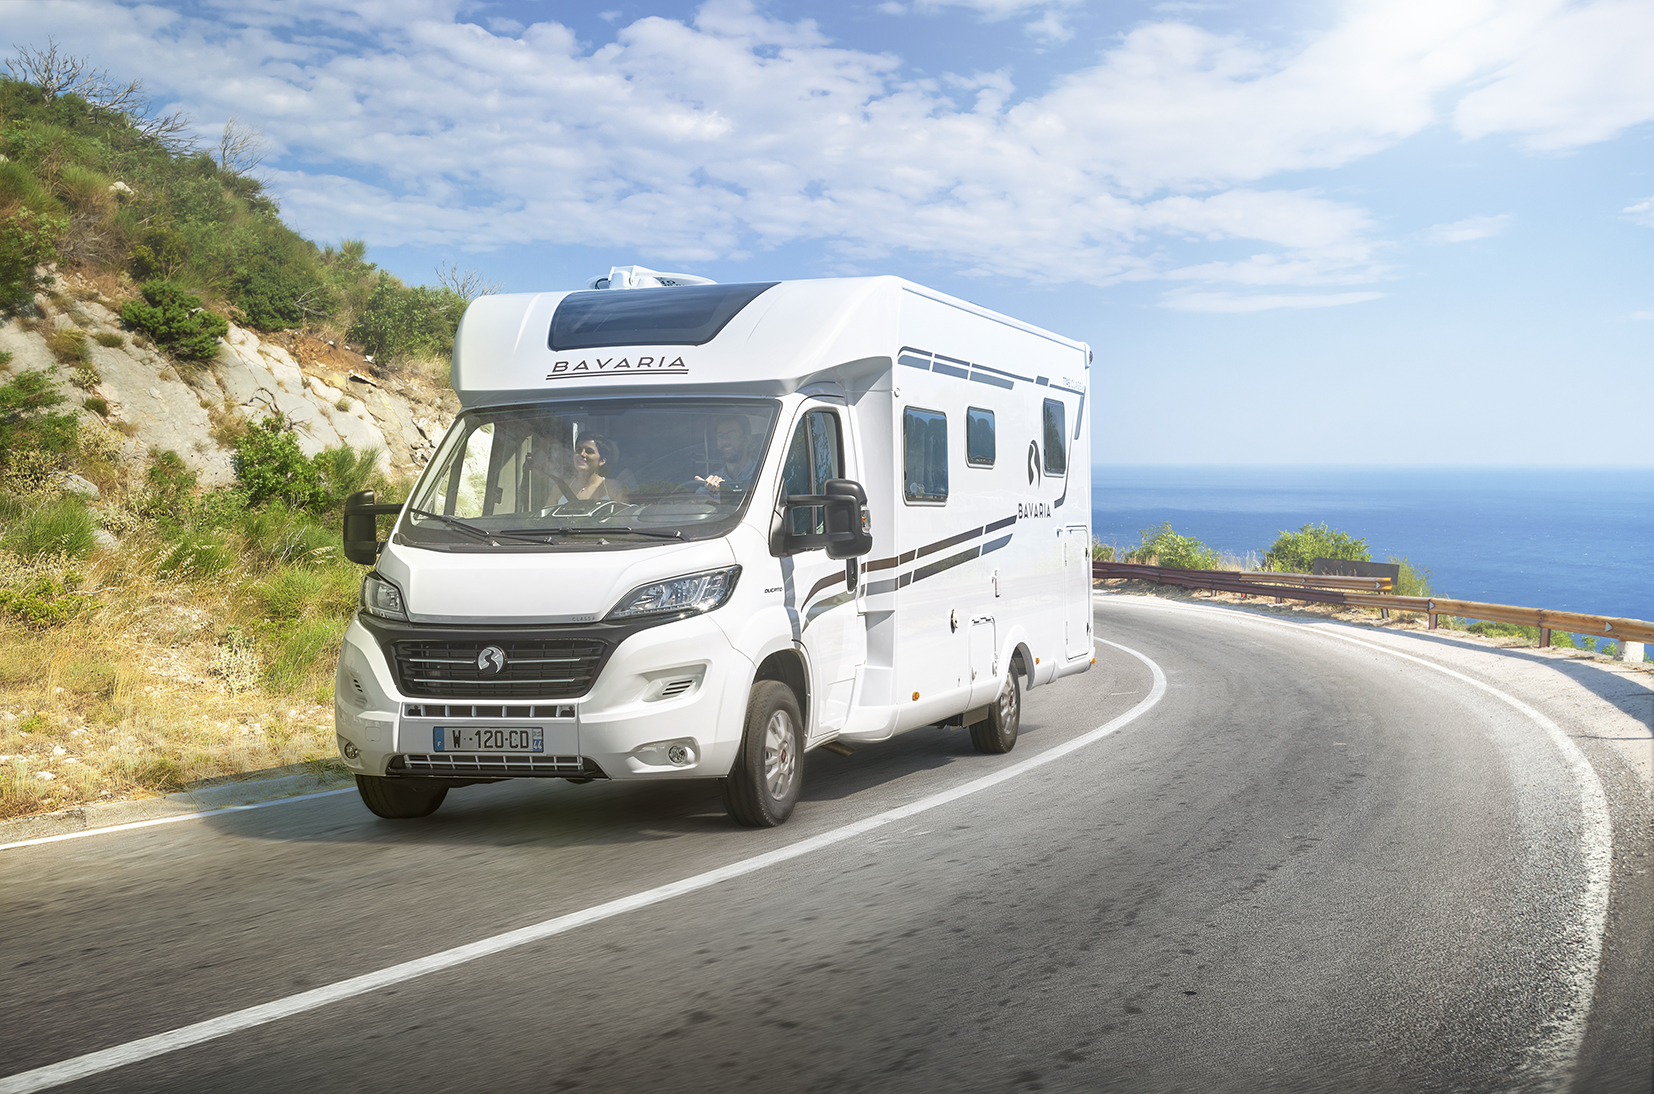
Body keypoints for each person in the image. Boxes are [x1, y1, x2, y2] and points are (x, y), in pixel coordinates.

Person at [695, 416, 757, 501]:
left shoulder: (764, 475)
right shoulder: (711, 482)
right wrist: (708, 497)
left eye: (732, 435)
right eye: (721, 436)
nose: (725, 441)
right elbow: (697, 507)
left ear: (747, 440)